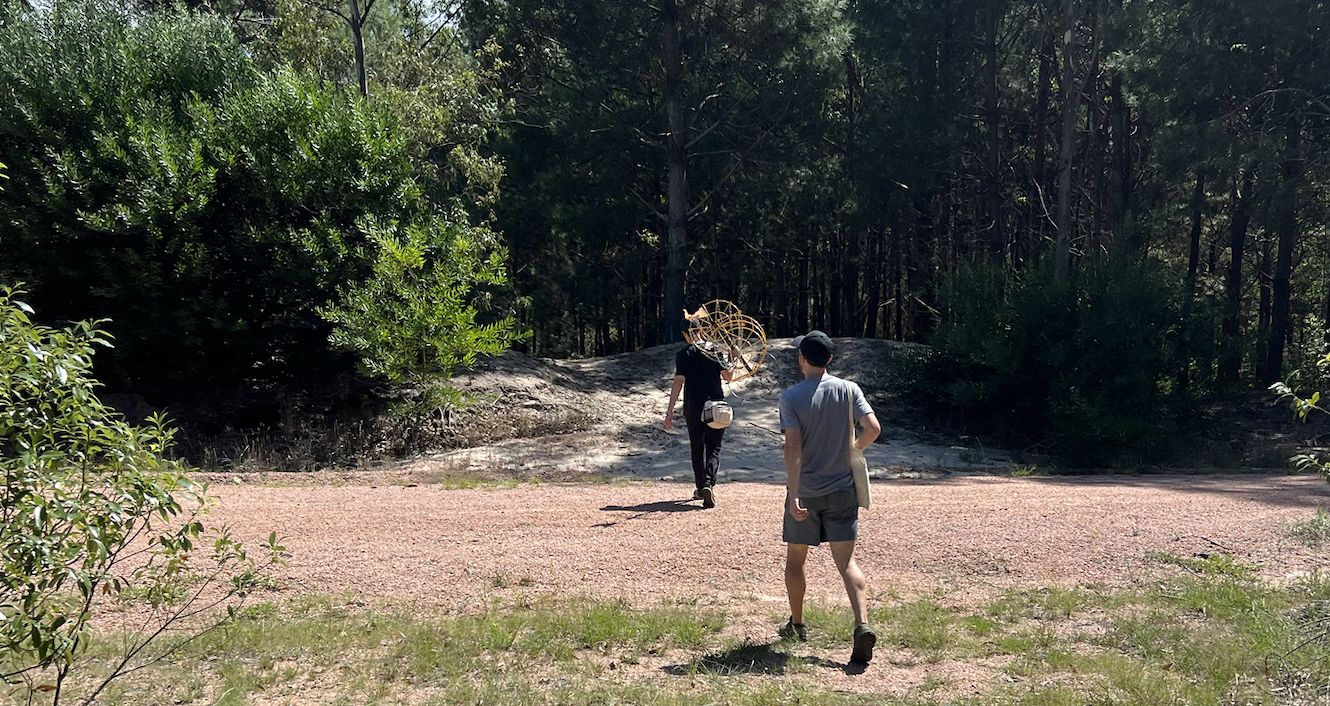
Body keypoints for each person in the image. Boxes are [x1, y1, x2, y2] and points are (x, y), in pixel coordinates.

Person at [777, 330, 881, 665]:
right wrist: (854, 449)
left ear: (801, 359)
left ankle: (797, 624)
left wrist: (794, 493)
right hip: (842, 491)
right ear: (831, 360)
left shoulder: (791, 397)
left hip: (806, 492)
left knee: (796, 562)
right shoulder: (850, 390)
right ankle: (862, 625)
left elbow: (793, 447)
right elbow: (873, 428)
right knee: (847, 563)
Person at [663, 317, 733, 508]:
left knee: (697, 446)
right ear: (701, 331)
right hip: (716, 405)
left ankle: (701, 487)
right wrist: (732, 359)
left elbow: (678, 383)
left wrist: (669, 412)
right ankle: (710, 483)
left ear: (685, 334)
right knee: (714, 447)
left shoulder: (684, 354)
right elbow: (728, 376)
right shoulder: (715, 350)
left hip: (694, 407)